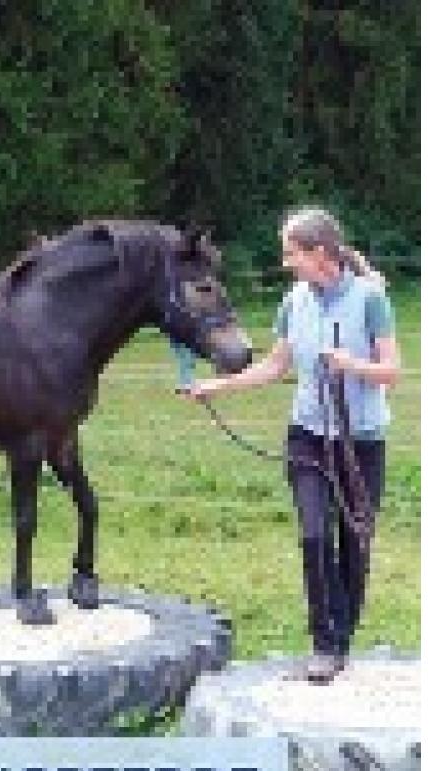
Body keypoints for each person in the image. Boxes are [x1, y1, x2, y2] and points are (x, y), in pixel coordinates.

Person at [186, 208, 401, 683]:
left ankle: (341, 640)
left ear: (319, 253)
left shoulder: (370, 300)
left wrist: (351, 365)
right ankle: (325, 643)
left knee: (355, 546)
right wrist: (217, 387)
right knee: (313, 535)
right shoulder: (293, 302)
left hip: (360, 442)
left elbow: (392, 372)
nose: (286, 263)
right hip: (308, 436)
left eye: (292, 253)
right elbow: (274, 367)